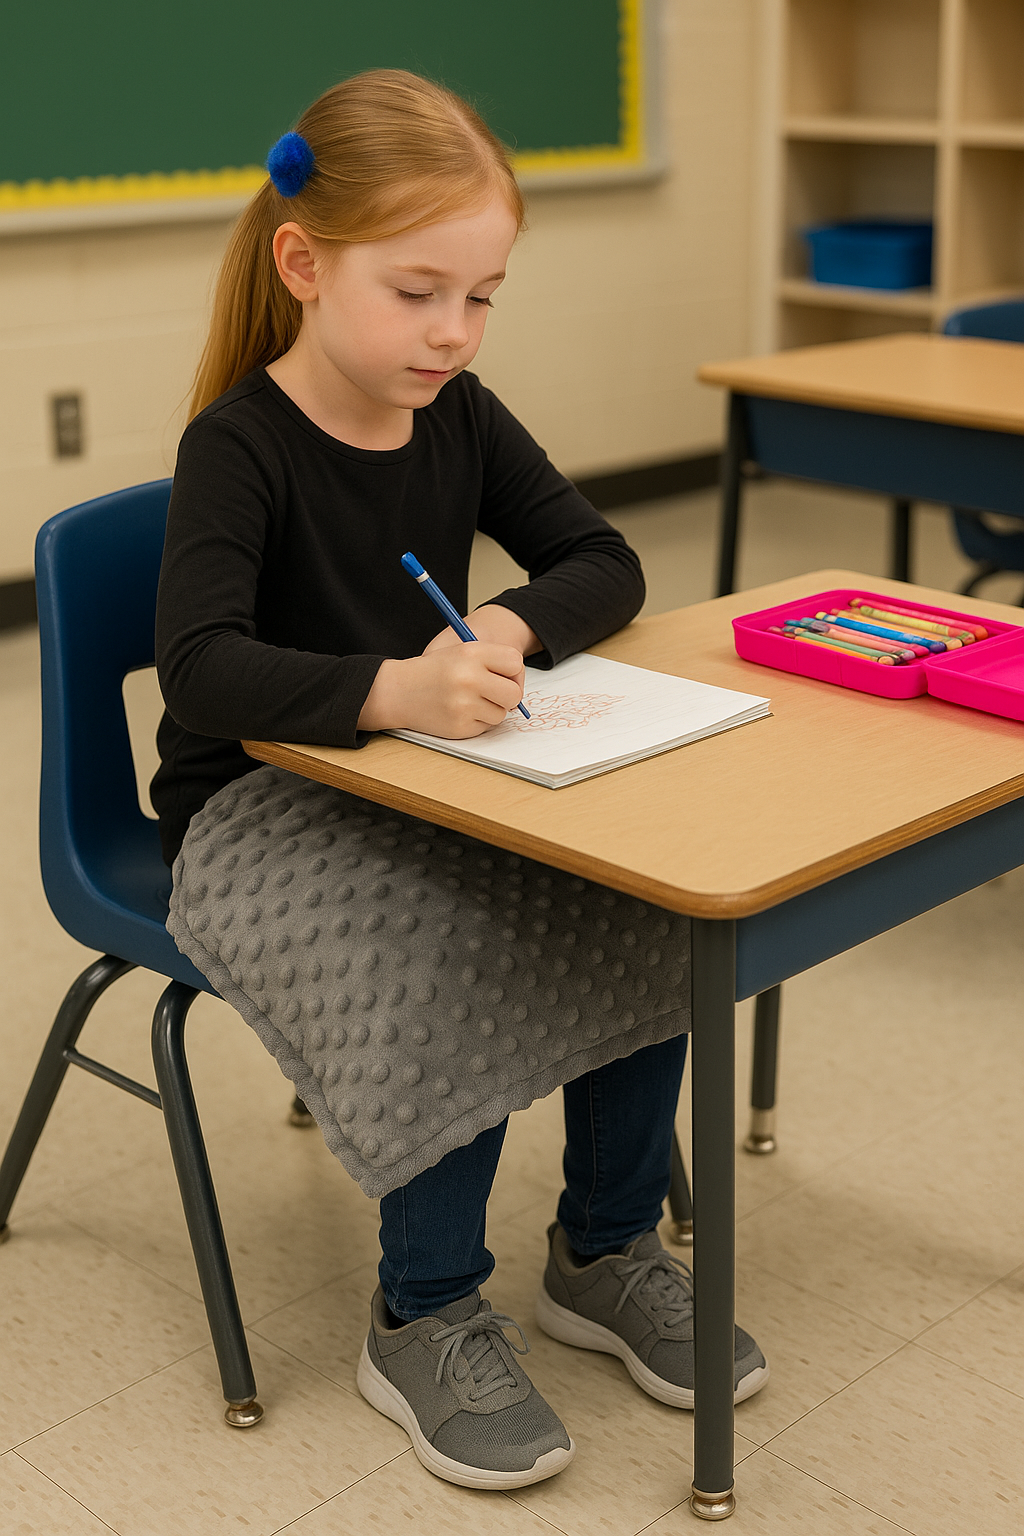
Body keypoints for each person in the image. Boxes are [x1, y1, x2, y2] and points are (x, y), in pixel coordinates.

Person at [155, 69, 768, 1492]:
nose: (453, 331)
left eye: (482, 296)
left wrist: (502, 627)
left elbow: (602, 561)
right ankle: (421, 1309)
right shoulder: (238, 445)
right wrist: (390, 690)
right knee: (453, 950)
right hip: (253, 809)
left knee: (642, 899)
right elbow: (200, 670)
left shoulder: (461, 414)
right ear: (304, 265)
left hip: (423, 775)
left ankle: (605, 1249)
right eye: (420, 291)